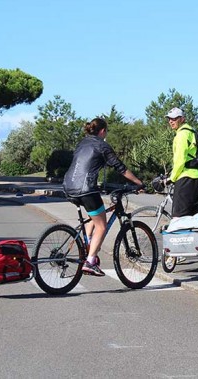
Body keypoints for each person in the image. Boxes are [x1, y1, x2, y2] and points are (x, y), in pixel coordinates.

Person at [63, 117, 144, 276]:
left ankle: (87, 246)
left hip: (69, 186)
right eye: (106, 131)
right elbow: (120, 168)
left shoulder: (82, 143)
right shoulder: (102, 145)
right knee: (101, 225)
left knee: (94, 216)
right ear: (102, 131)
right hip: (86, 189)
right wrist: (138, 182)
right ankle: (90, 260)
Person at [165, 107, 198, 218]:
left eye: (174, 118)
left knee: (179, 217)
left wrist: (172, 178)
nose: (170, 121)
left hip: (186, 178)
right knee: (192, 217)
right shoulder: (192, 132)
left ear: (182, 119)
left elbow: (180, 160)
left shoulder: (182, 135)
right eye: (169, 119)